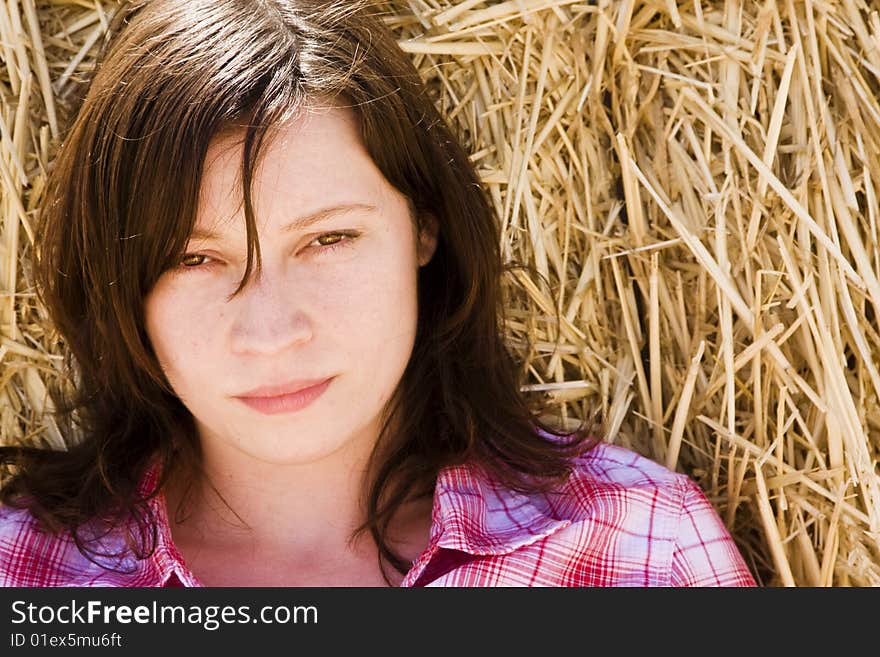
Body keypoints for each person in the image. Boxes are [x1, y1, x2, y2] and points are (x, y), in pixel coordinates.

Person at [0, 0, 755, 587]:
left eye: (328, 239)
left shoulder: (635, 548)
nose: (270, 330)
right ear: (120, 285)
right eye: (195, 258)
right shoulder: (24, 578)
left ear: (423, 225)